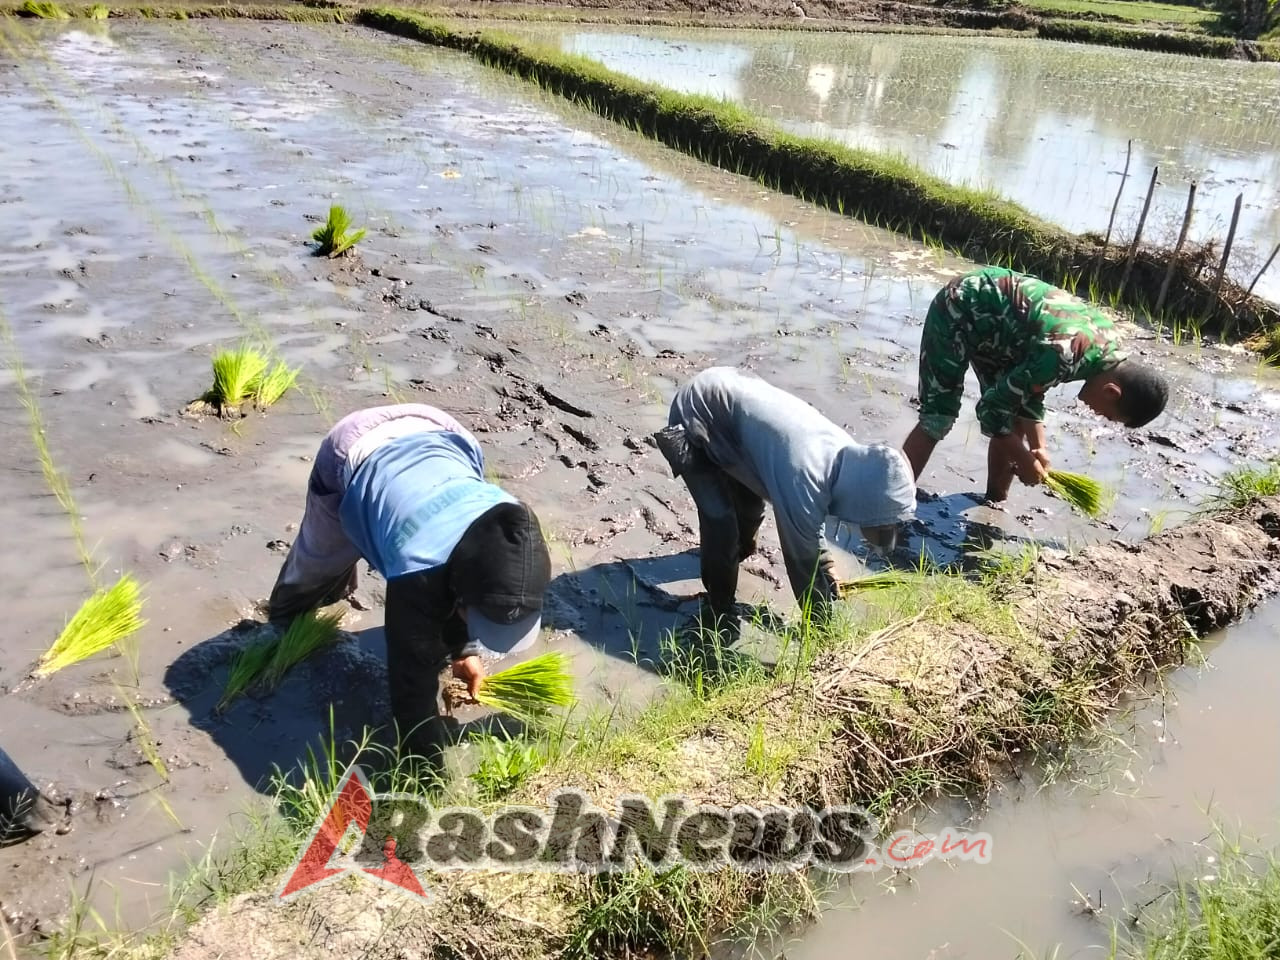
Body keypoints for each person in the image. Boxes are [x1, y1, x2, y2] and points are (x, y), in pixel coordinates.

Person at [267, 404, 551, 770]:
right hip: (354, 447)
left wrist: (462, 652)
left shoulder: (513, 526)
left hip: (447, 436)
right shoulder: (415, 571)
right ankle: (279, 623)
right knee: (316, 566)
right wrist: (425, 769)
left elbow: (468, 580)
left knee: (445, 588)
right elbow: (410, 686)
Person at [654, 367, 916, 631]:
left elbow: (812, 518)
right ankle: (719, 609)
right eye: (882, 526)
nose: (884, 533)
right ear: (864, 504)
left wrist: (826, 567)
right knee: (720, 520)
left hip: (736, 421)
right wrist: (823, 628)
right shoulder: (805, 474)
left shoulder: (851, 463)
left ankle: (730, 560)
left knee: (750, 512)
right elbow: (801, 564)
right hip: (696, 412)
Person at [902, 265, 1169, 504]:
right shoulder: (1064, 353)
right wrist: (1022, 457)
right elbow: (990, 410)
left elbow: (1031, 388)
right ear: (1111, 391)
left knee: (1015, 417)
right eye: (1107, 414)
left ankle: (994, 500)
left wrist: (1038, 447)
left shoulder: (1105, 347)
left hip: (1002, 334)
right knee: (939, 415)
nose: (1098, 416)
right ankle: (892, 498)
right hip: (961, 307)